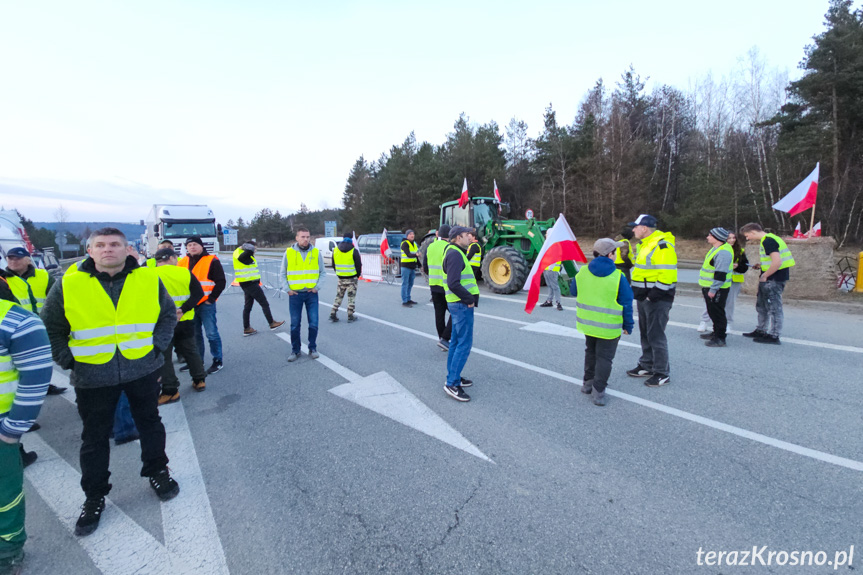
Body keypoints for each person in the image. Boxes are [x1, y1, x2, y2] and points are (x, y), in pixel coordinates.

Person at [41, 227, 180, 537]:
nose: (108, 250)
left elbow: (168, 316)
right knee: (94, 438)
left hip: (142, 370)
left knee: (150, 424)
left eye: (115, 244)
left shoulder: (147, 278)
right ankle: (94, 496)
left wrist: (157, 349)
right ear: (90, 251)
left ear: (126, 248)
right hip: (92, 377)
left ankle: (158, 470)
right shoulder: (68, 284)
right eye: (100, 245)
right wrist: (69, 360)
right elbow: (51, 327)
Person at [0, 297, 52, 573]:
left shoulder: (16, 321)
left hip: (0, 430)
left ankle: (7, 550)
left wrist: (11, 431)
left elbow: (35, 377)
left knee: (3, 494)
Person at [571, 239, 634, 406]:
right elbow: (627, 303)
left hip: (588, 324)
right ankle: (598, 392)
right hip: (609, 327)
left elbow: (572, 291)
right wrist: (628, 326)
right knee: (605, 358)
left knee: (590, 352)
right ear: (610, 254)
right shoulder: (618, 276)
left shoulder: (583, 272)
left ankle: (587, 384)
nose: (617, 254)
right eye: (616, 252)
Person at [3, 248, 66, 397]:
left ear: (28, 260)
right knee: (14, 363)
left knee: (40, 361)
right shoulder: (3, 279)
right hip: (13, 329)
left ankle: (43, 385)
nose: (13, 261)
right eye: (10, 258)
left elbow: (57, 299)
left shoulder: (43, 276)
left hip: (40, 327)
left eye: (17, 258)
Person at [626, 214, 677, 388]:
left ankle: (662, 373)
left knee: (656, 335)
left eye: (635, 226)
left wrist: (652, 296)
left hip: (657, 297)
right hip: (644, 295)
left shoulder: (662, 246)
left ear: (644, 228)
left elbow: (667, 274)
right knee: (646, 333)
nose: (633, 230)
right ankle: (647, 365)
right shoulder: (645, 244)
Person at [153, 248, 208, 404]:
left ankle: (170, 390)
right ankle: (199, 380)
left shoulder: (151, 275)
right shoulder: (184, 273)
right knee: (191, 350)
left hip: (162, 323)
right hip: (185, 320)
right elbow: (198, 294)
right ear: (171, 258)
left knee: (164, 356)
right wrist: (182, 310)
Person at [739, 223, 795, 345]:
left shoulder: (768, 241)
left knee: (774, 308)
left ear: (753, 232)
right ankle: (761, 329)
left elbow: (777, 262)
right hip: (771, 277)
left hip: (774, 279)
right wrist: (761, 265)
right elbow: (771, 260)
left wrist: (765, 275)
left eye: (747, 235)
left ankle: (774, 335)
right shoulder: (769, 239)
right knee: (762, 306)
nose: (747, 238)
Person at [178, 236, 226, 374]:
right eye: (189, 245)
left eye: (195, 244)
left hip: (206, 304)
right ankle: (197, 361)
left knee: (211, 333)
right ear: (186, 248)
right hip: (189, 305)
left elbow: (220, 282)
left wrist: (211, 299)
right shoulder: (182, 262)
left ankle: (218, 360)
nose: (192, 247)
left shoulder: (211, 260)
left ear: (201, 246)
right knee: (195, 335)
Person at [442, 226, 478, 402]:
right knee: (464, 344)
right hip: (461, 304)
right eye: (466, 235)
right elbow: (453, 283)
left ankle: (454, 377)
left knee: (455, 343)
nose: (470, 237)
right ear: (457, 238)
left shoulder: (453, 251)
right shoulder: (455, 254)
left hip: (458, 304)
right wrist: (469, 298)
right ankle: (452, 383)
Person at [280, 226, 324, 362]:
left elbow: (322, 272)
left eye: (308, 237)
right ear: (297, 238)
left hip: (311, 294)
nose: (306, 239)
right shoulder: (289, 253)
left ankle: (312, 347)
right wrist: (287, 289)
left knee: (314, 323)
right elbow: (283, 273)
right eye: (303, 237)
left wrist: (317, 287)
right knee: (294, 324)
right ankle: (295, 350)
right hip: (295, 295)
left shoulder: (316, 252)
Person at [697, 231, 749, 332]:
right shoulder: (717, 249)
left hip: (732, 280)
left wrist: (737, 266)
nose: (731, 240)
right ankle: (705, 321)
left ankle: (727, 325)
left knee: (728, 303)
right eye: (729, 238)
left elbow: (744, 267)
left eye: (733, 238)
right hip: (717, 281)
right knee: (711, 304)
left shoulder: (738, 251)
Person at [233, 240, 285, 336]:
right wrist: (249, 250)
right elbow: (241, 259)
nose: (256, 250)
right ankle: (272, 323)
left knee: (248, 306)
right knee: (264, 303)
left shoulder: (246, 254)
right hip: (249, 283)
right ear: (249, 248)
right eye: (255, 248)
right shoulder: (239, 252)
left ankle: (247, 328)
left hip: (250, 282)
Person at [697, 228, 733, 348]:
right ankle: (715, 332)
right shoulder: (717, 249)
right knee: (713, 311)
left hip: (717, 288)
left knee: (718, 313)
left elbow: (720, 273)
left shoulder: (723, 252)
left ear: (717, 238)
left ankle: (720, 338)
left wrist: (713, 289)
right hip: (711, 286)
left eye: (710, 235)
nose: (707, 237)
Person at [422, 225, 452, 351]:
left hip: (434, 286)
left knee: (439, 314)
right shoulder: (448, 247)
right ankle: (446, 338)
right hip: (446, 286)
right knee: (456, 313)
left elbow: (425, 266)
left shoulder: (430, 246)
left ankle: (442, 339)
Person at [330, 234, 362, 323]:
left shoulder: (336, 250)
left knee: (339, 296)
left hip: (341, 277)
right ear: (351, 239)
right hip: (352, 278)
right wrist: (357, 275)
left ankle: (333, 312)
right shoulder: (353, 250)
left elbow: (333, 264)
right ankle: (350, 315)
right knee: (351, 297)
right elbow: (358, 265)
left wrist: (338, 273)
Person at [400, 230, 419, 306]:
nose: (412, 235)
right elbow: (408, 254)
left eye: (413, 234)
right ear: (407, 236)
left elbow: (416, 255)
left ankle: (408, 298)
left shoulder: (414, 244)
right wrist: (416, 255)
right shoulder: (405, 243)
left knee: (410, 284)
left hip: (412, 267)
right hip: (405, 266)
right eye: (410, 234)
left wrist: (420, 265)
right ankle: (404, 301)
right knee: (405, 283)